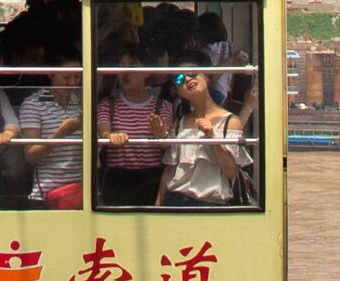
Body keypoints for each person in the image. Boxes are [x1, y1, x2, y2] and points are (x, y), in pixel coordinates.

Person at [1, 6, 85, 208]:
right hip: (47, 195)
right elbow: (30, 155)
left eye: (77, 77)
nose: (71, 82)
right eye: (66, 77)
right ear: (50, 74)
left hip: (82, 193)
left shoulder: (81, 100)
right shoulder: (33, 104)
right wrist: (61, 133)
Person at [161, 71, 250, 208]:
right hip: (175, 201)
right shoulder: (180, 122)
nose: (187, 79)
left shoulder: (230, 122)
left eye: (192, 72)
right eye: (179, 78)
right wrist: (158, 206)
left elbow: (231, 171)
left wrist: (212, 138)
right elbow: (170, 170)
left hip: (210, 205)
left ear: (207, 76)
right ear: (178, 92)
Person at [95, 63, 174, 210]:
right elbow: (103, 132)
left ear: (147, 73)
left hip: (152, 179)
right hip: (117, 180)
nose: (125, 72)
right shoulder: (107, 104)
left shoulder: (163, 106)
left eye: (131, 67)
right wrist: (110, 136)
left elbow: (167, 144)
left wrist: (161, 134)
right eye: (121, 67)